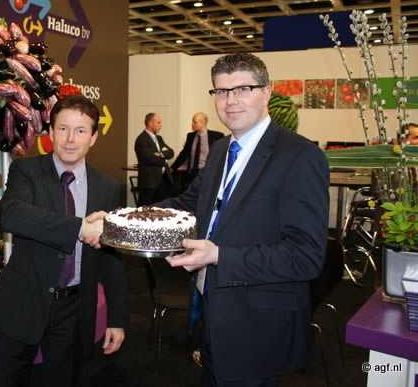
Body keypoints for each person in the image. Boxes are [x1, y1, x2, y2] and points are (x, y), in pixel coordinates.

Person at [162, 53, 329, 386]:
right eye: (221, 91)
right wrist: (117, 219)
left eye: (242, 89)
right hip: (212, 310)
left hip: (257, 324)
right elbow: (185, 204)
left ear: (266, 92)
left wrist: (219, 256)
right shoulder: (221, 150)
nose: (230, 101)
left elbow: (306, 256)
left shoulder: (300, 156)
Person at [0, 95, 129, 387]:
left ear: (94, 137)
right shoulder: (26, 171)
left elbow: (112, 259)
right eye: (63, 129)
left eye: (81, 130)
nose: (71, 139)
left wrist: (117, 317)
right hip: (23, 300)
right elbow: (12, 215)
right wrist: (80, 228)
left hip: (74, 309)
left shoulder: (107, 186)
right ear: (50, 132)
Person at [171, 112, 224, 193]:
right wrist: (172, 168)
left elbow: (222, 154)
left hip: (207, 173)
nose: (192, 124)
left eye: (195, 122)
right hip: (192, 173)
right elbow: (184, 154)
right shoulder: (190, 136)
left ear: (202, 123)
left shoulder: (216, 136)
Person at [134, 113, 175, 205]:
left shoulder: (159, 138)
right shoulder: (141, 139)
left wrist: (160, 153)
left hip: (163, 181)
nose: (161, 125)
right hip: (149, 183)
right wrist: (164, 159)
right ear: (150, 123)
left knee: (162, 209)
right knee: (146, 210)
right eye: (158, 122)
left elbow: (171, 152)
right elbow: (150, 158)